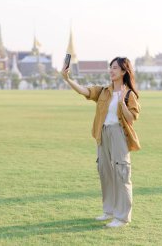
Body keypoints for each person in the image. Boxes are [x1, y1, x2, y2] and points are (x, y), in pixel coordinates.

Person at [61, 57, 141, 228]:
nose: (111, 71)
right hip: (103, 133)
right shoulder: (104, 91)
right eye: (110, 68)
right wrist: (67, 79)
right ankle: (109, 211)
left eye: (114, 68)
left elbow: (132, 118)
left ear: (124, 71)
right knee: (105, 171)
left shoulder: (129, 94)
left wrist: (123, 105)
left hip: (119, 133)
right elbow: (84, 91)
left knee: (121, 173)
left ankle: (122, 217)